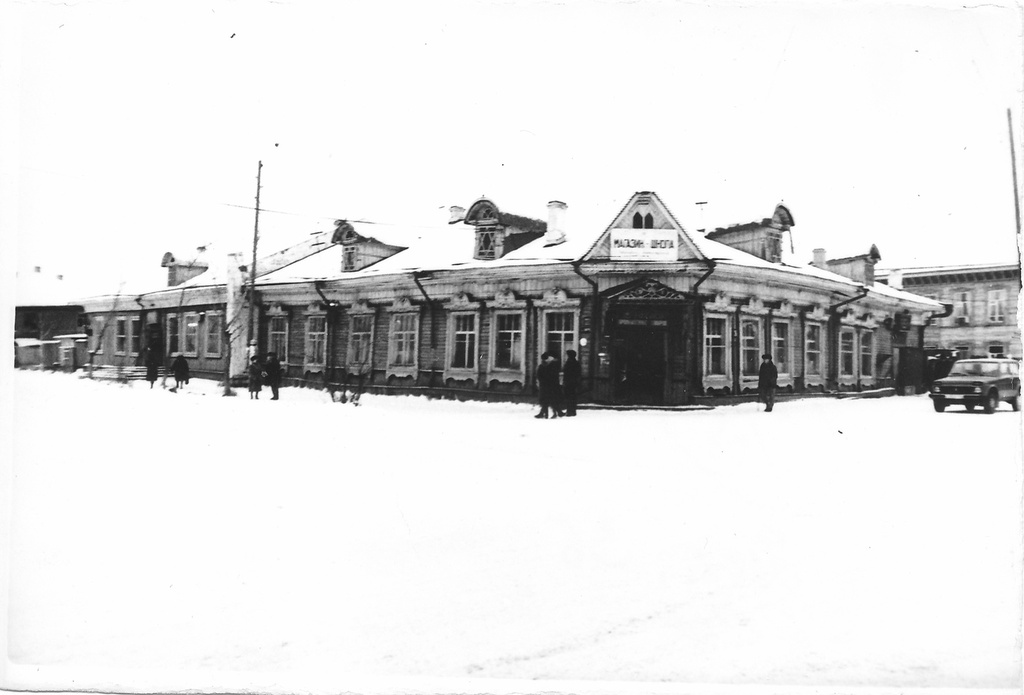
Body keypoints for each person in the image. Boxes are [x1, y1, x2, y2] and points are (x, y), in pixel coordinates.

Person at [535, 352, 562, 419]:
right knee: (548, 400)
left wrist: (543, 381)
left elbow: (539, 376)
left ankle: (550, 413)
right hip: (549, 385)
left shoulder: (547, 366)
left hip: (547, 385)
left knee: (548, 400)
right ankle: (553, 413)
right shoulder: (551, 365)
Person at [562, 349, 581, 417]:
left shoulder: (570, 363)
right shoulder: (576, 363)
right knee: (572, 397)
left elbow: (567, 372)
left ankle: (570, 411)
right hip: (573, 383)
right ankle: (572, 410)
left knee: (569, 397)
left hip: (570, 383)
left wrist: (565, 381)